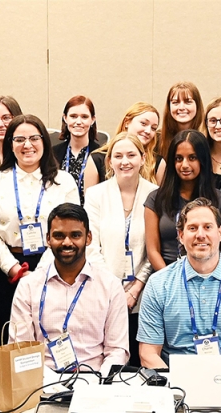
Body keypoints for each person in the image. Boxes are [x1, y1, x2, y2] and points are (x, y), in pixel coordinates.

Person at [137, 198, 221, 368]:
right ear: (181, 236)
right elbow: (148, 354)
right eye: (192, 228)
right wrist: (174, 385)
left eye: (208, 227)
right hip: (177, 385)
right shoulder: (158, 284)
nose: (200, 234)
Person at [0, 114, 79, 326]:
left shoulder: (64, 182)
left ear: (44, 141)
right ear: (10, 144)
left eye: (34, 138)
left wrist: (40, 272)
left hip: (56, 269)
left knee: (53, 331)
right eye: (19, 139)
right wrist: (15, 270)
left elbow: (72, 233)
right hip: (7, 272)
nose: (27, 145)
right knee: (14, 338)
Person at [10, 204, 129, 372]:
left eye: (75, 235)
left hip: (94, 381)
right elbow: (20, 349)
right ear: (48, 239)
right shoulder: (29, 286)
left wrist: (100, 383)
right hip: (40, 382)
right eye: (59, 236)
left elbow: (117, 351)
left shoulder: (110, 286)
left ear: (88, 238)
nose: (67, 242)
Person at [85, 132, 159, 366]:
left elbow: (154, 249)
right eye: (118, 156)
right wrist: (115, 290)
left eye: (131, 155)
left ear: (143, 158)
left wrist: (136, 287)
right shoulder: (96, 194)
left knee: (139, 361)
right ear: (109, 161)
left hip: (143, 293)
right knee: (108, 360)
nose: (125, 161)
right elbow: (91, 246)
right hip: (103, 291)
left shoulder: (155, 194)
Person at [144, 130, 221, 271]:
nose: (184, 165)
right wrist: (171, 279)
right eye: (179, 159)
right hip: (165, 278)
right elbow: (152, 251)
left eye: (192, 158)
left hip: (207, 277)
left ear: (203, 160)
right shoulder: (155, 199)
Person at [53, 95, 105, 203]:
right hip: (59, 214)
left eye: (84, 117)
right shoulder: (53, 153)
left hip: (91, 214)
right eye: (73, 116)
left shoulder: (101, 155)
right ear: (65, 118)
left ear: (92, 120)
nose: (78, 121)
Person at [157, 82, 205, 161]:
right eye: (175, 102)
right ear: (169, 107)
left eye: (188, 102)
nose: (181, 107)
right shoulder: (158, 139)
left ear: (197, 105)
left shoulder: (207, 138)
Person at [115, 102, 161, 182]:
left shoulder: (157, 162)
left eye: (153, 128)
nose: (148, 131)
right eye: (143, 123)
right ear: (127, 122)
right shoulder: (99, 158)